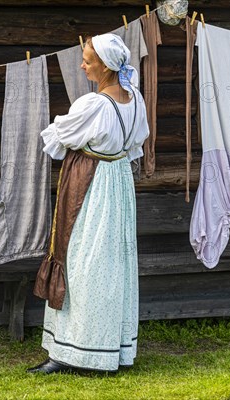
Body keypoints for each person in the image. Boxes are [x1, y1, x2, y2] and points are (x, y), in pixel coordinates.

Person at [28, 33, 150, 374]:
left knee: (83, 264)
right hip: (119, 183)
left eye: (88, 60)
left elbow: (57, 137)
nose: (83, 65)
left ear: (108, 67)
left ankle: (73, 352)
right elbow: (135, 144)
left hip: (92, 186)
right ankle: (110, 347)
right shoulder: (135, 100)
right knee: (112, 266)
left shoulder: (94, 105)